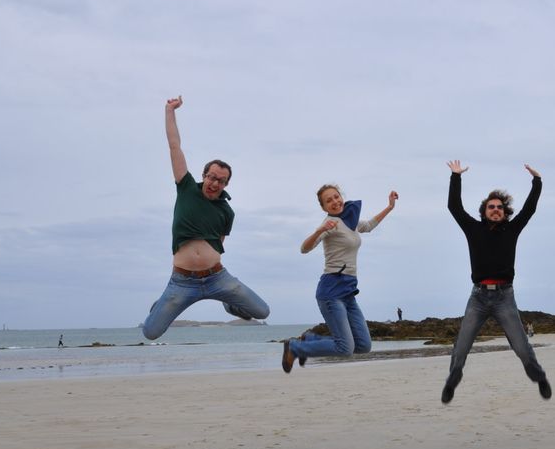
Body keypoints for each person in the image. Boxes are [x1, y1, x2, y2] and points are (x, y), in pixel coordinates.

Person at [141, 96, 270, 341]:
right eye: (211, 177)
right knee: (151, 332)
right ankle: (160, 305)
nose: (214, 183)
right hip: (182, 282)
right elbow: (174, 146)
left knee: (262, 310)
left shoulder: (226, 212)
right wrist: (169, 110)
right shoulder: (186, 188)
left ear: (226, 183)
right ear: (204, 175)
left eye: (220, 180)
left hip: (217, 278)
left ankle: (228, 303)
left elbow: (218, 243)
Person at [440, 160, 551, 404]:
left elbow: (530, 209)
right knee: (461, 348)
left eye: (500, 207)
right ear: (484, 211)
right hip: (478, 298)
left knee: (522, 347)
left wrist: (537, 181)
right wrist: (456, 177)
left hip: (504, 297)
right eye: (491, 207)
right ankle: (452, 381)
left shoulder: (512, 230)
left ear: (505, 211)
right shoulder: (473, 228)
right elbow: (454, 207)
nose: (495, 210)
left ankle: (539, 377)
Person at [282, 185, 398, 372]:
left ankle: (310, 341)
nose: (335, 202)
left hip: (348, 293)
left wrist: (389, 207)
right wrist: (319, 231)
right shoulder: (330, 224)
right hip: (331, 291)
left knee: (363, 346)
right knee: (344, 348)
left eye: (336, 197)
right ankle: (295, 347)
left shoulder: (348, 220)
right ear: (324, 207)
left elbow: (368, 226)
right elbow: (304, 249)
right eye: (329, 200)